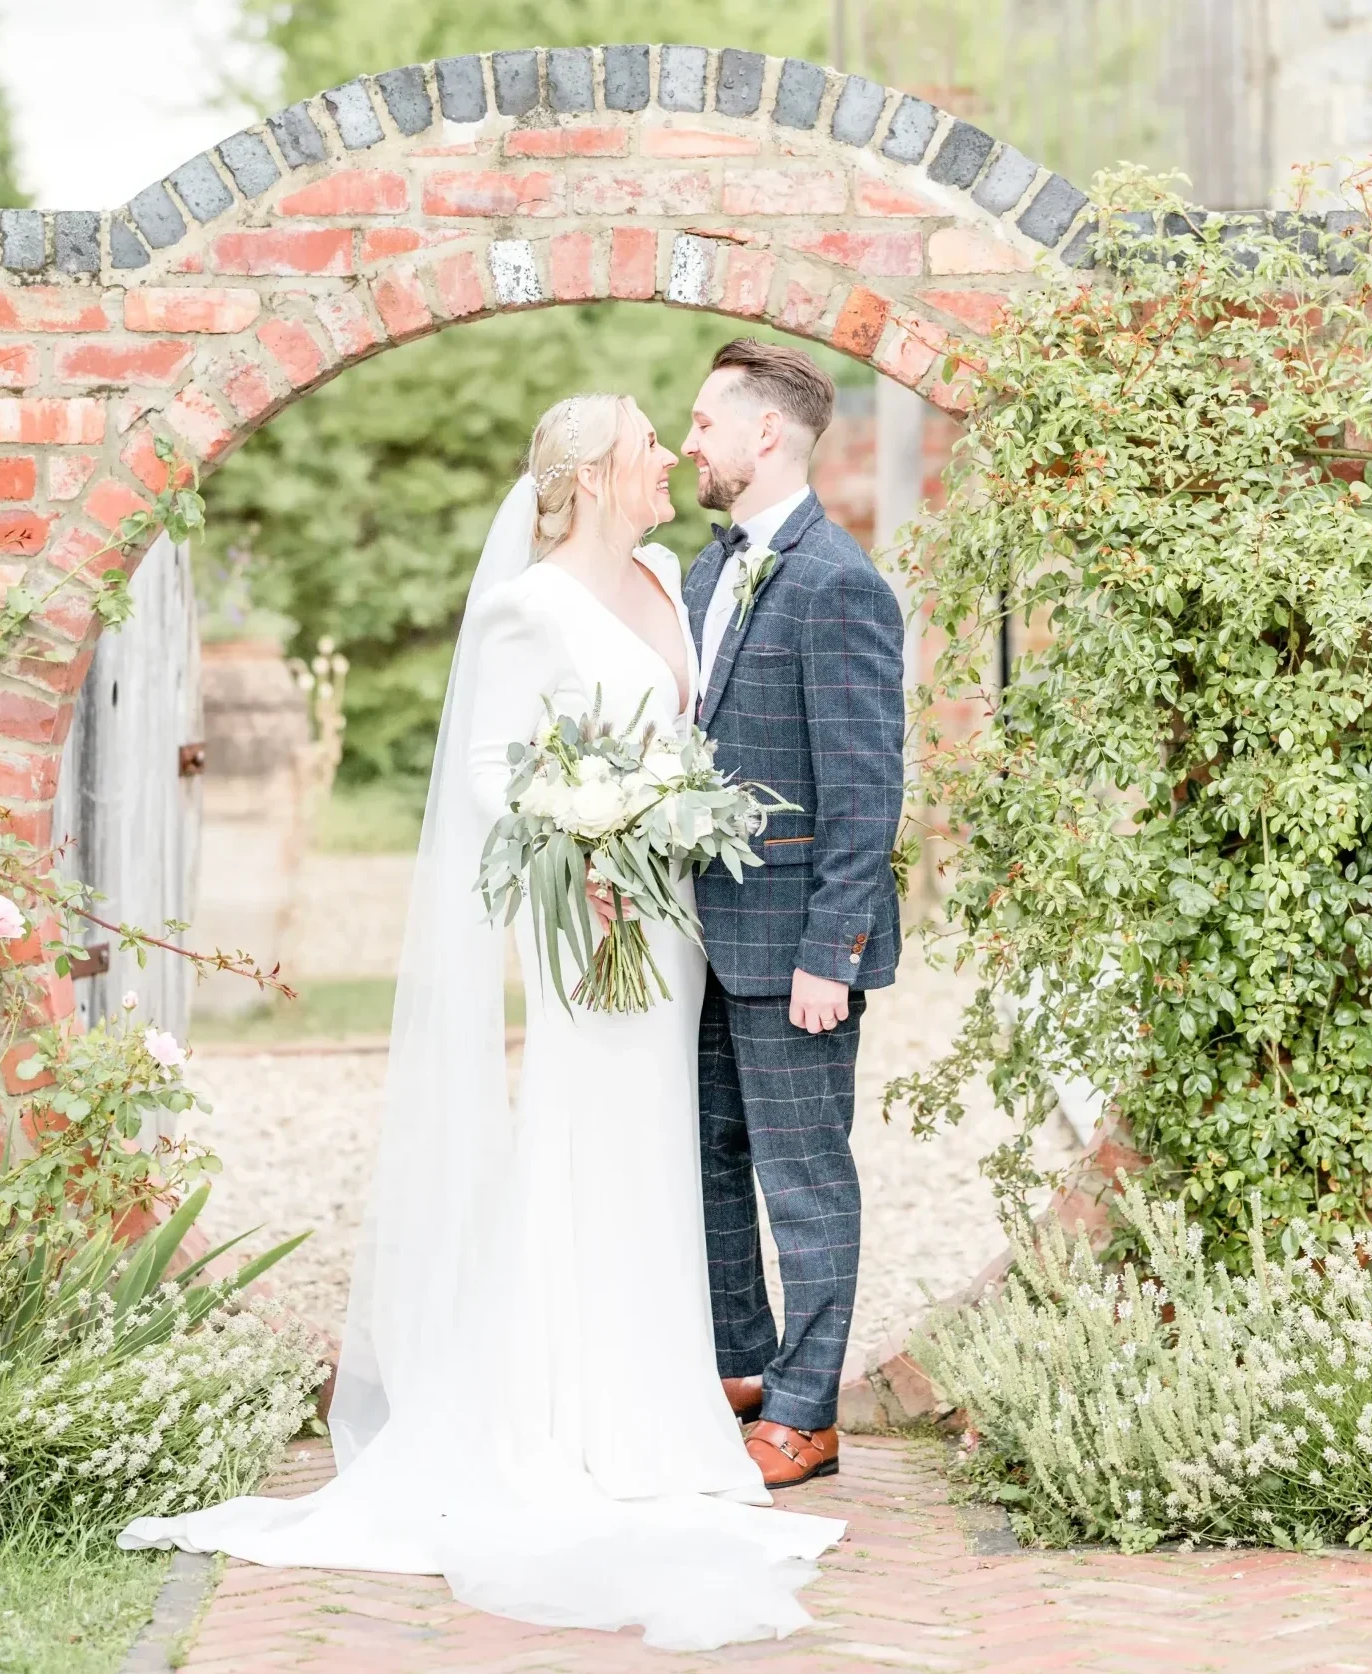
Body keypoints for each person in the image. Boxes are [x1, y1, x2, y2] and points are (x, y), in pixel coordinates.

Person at [120, 385, 857, 1651]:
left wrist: (653, 830)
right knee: (590, 1148)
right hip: (590, 935)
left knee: (664, 1165)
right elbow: (487, 772)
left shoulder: (669, 577)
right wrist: (588, 847)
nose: (667, 457)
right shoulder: (527, 609)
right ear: (585, 476)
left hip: (672, 925)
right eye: (644, 446)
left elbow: (684, 739)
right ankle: (572, 1423)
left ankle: (657, 1411)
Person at [681, 340, 906, 1490]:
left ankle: (808, 1415)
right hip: (697, 945)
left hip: (795, 954)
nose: (688, 444)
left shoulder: (838, 583)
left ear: (763, 432)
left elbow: (865, 790)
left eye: (703, 423)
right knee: (704, 1160)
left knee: (803, 1174)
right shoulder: (698, 572)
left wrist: (835, 952)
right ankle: (743, 1367)